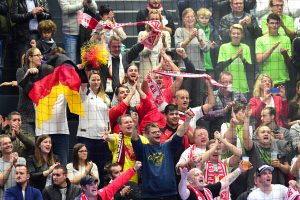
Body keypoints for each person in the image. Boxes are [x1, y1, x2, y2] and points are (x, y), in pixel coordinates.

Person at [131, 109, 194, 199]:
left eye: (158, 132)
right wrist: (134, 124)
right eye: (154, 132)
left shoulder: (168, 146)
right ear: (146, 135)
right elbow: (135, 138)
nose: (157, 134)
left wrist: (187, 120)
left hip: (170, 194)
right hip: (150, 196)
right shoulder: (142, 149)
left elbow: (179, 133)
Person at [77, 70, 112, 186]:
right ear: (89, 81)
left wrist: (108, 131)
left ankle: (100, 191)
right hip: (86, 137)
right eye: (93, 79)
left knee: (101, 167)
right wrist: (84, 68)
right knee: (87, 166)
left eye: (98, 79)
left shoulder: (106, 97)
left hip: (101, 138)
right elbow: (82, 82)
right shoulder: (83, 94)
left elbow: (107, 118)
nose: (96, 82)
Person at [243, 109, 290, 188]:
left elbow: (288, 169)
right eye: (263, 132)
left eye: (268, 132)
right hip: (256, 189)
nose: (266, 134)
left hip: (275, 189)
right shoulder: (253, 147)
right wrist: (247, 118)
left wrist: (280, 165)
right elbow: (245, 138)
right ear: (257, 136)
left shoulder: (278, 145)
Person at [175, 8, 210, 107]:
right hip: (185, 69)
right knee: (185, 98)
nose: (190, 19)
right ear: (183, 19)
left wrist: (199, 38)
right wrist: (190, 37)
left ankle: (196, 121)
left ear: (195, 19)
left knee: (198, 99)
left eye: (192, 17)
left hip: (199, 69)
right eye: (187, 17)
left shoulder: (201, 31)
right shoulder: (179, 31)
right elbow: (178, 47)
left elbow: (206, 48)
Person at [103, 114, 148, 183]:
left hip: (138, 180)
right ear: (120, 127)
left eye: (131, 122)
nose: (129, 124)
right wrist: (107, 137)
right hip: (120, 180)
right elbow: (111, 138)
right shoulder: (117, 138)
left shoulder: (142, 139)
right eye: (126, 122)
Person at [178, 160, 252, 200]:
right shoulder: (189, 192)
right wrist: (183, 180)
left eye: (201, 174)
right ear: (190, 181)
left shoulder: (208, 190)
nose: (201, 176)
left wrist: (239, 170)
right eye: (196, 175)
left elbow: (225, 181)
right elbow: (182, 192)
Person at [203, 71, 247, 136]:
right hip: (217, 133)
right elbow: (206, 115)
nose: (228, 84)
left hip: (235, 131)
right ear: (219, 82)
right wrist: (224, 111)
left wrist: (236, 107)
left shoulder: (239, 95)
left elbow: (246, 109)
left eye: (230, 82)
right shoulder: (212, 96)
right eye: (225, 82)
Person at [10, 0, 51, 69]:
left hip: (39, 36)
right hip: (23, 36)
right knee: (24, 62)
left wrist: (41, 14)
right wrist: (31, 13)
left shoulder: (41, 0)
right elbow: (13, 17)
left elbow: (49, 16)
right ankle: (24, 79)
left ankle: (39, 79)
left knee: (40, 62)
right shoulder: (17, 1)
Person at [256, 13, 292, 87]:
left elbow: (289, 63)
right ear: (267, 24)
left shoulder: (286, 39)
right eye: (272, 23)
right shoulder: (260, 40)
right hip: (267, 82)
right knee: (269, 98)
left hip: (282, 81)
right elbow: (259, 59)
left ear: (279, 25)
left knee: (280, 99)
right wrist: (272, 49)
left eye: (276, 23)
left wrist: (285, 54)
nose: (274, 25)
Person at [75, 161, 142, 200]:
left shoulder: (103, 193)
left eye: (95, 183)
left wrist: (134, 169)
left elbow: (118, 181)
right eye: (90, 185)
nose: (94, 186)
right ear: (83, 188)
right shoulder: (79, 199)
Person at [217, 24, 252, 94]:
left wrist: (242, 58)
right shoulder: (224, 47)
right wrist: (235, 56)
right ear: (230, 34)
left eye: (238, 34)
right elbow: (220, 67)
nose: (236, 35)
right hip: (228, 87)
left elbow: (250, 69)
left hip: (242, 87)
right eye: (234, 33)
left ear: (242, 35)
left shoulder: (246, 47)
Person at [16, 47, 43, 134]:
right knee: (30, 144)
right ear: (30, 58)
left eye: (41, 55)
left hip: (41, 116)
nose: (41, 57)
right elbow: (25, 88)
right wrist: (28, 74)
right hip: (27, 117)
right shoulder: (21, 71)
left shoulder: (42, 71)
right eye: (37, 55)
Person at [137, 9, 171, 79]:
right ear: (148, 21)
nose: (155, 21)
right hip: (146, 69)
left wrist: (164, 42)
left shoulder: (166, 34)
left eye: (157, 19)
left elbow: (168, 52)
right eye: (152, 19)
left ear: (160, 21)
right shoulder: (142, 34)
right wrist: (152, 45)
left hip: (161, 68)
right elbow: (140, 53)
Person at [195, 7, 221, 79]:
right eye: (202, 18)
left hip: (211, 65)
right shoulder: (194, 29)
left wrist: (214, 46)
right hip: (198, 65)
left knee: (210, 87)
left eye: (206, 18)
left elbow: (218, 44)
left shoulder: (213, 30)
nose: (204, 20)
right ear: (197, 18)